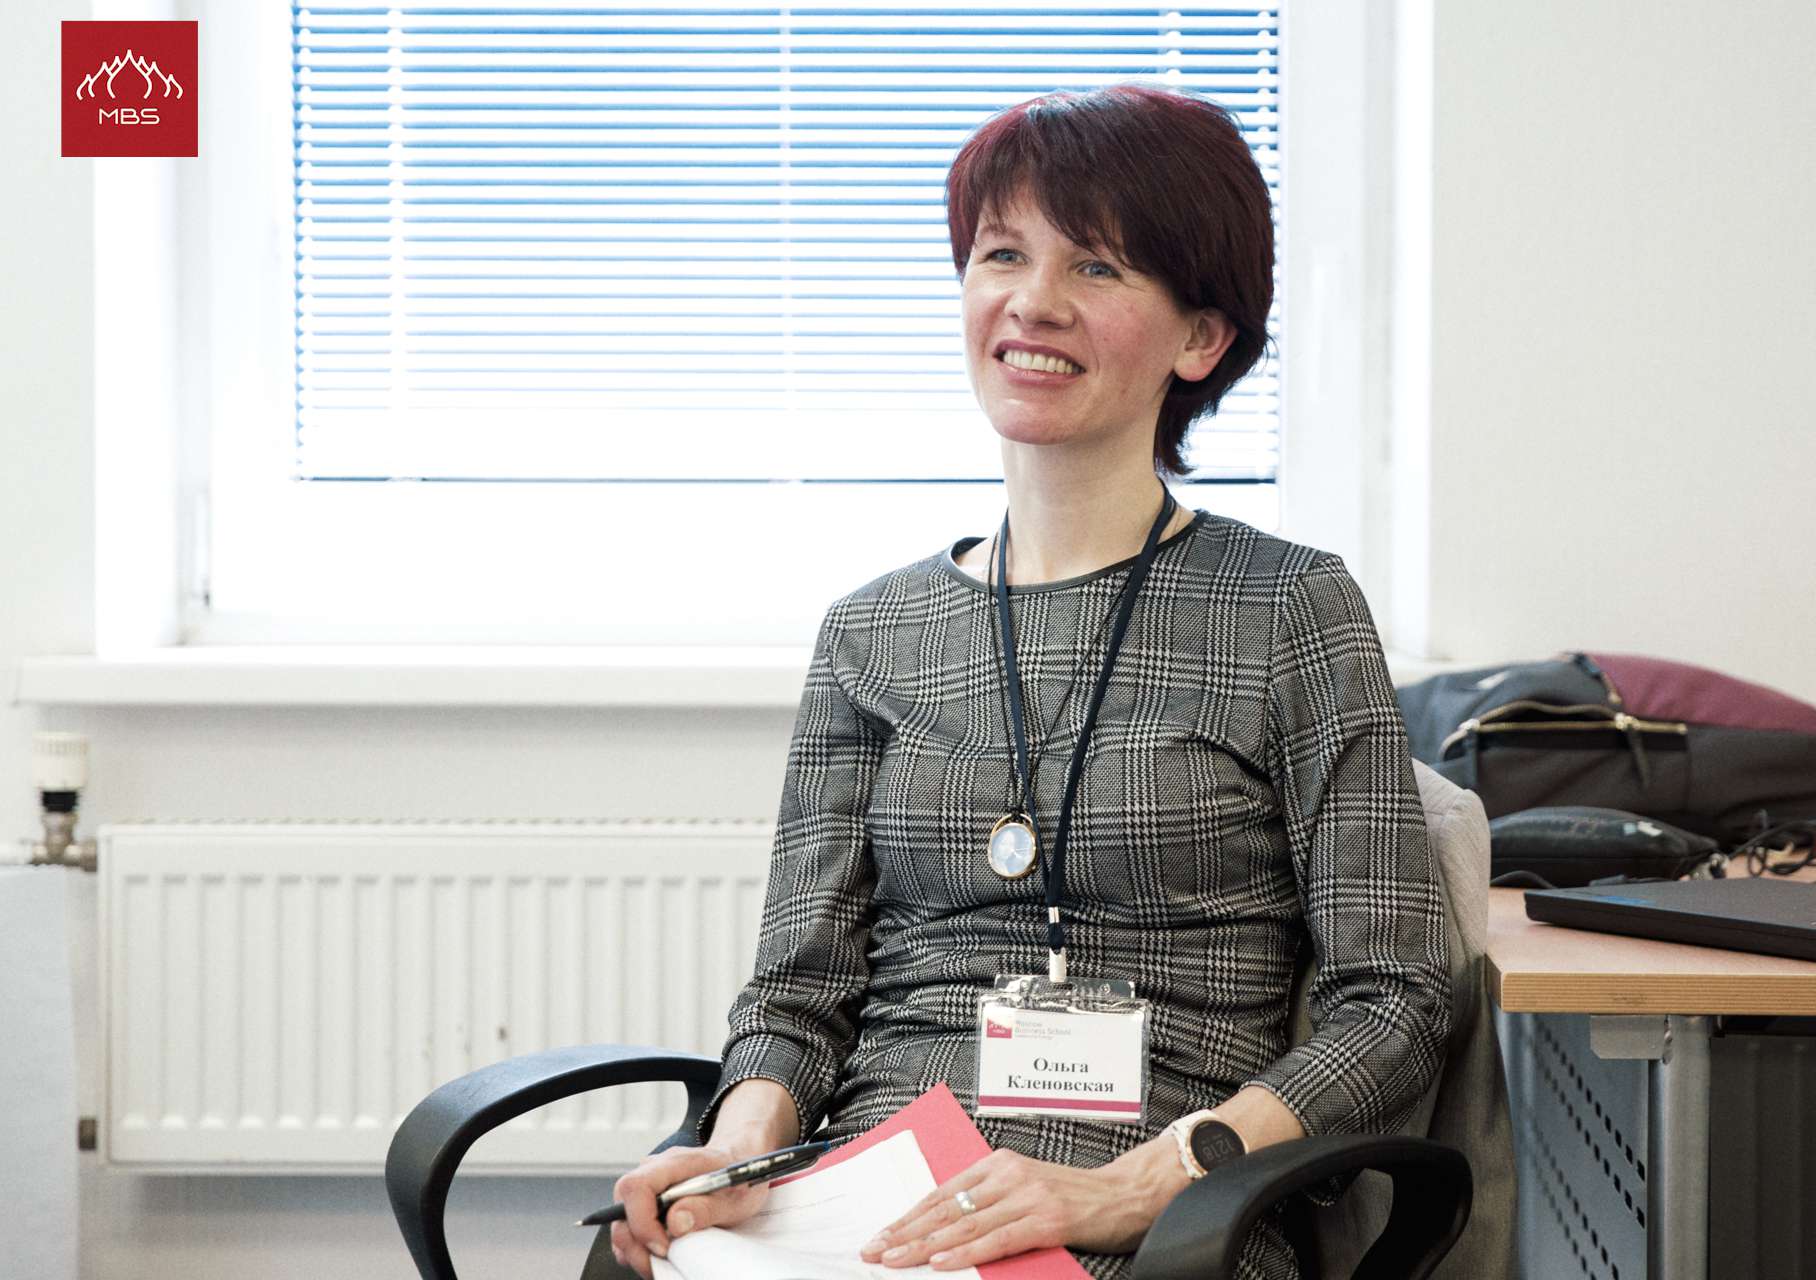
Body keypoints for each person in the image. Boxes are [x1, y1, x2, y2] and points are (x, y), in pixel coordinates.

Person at [607, 81, 1451, 1280]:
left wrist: (1135, 1186)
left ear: (1201, 338)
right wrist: (737, 1150)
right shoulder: (872, 632)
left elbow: (1396, 1001)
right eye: (1003, 254)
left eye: (1097, 266)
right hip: (876, 1201)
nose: (1033, 301)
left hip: (1165, 1215)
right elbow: (798, 999)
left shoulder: (1288, 608)